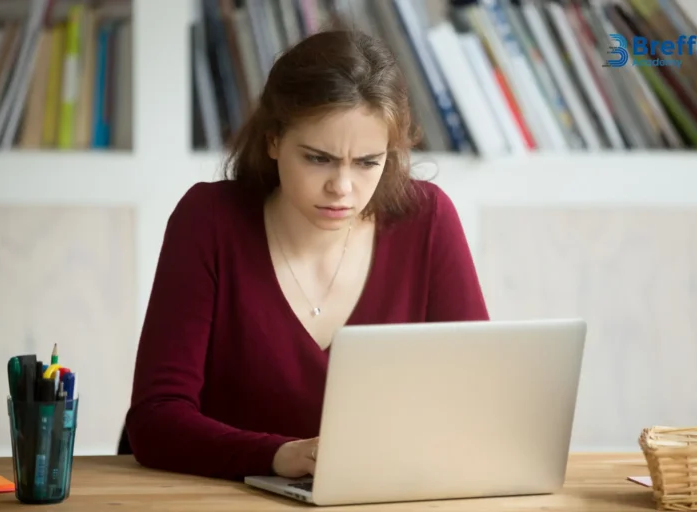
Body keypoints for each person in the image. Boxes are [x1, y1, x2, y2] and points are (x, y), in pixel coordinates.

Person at [124, 28, 489, 482]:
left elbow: (478, 401)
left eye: (367, 162)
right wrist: (278, 456)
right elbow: (156, 420)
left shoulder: (427, 220)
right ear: (274, 140)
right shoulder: (208, 221)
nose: (342, 187)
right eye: (318, 158)